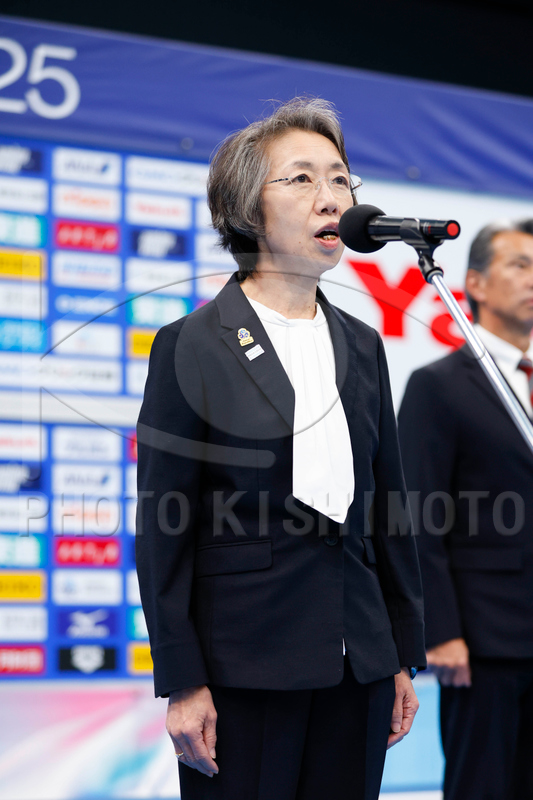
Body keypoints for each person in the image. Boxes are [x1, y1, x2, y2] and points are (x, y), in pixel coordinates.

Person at [136, 97, 426, 800]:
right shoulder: (192, 343)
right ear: (247, 207)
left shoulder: (362, 343)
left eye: (340, 178)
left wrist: (398, 652)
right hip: (243, 665)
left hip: (358, 662)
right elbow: (165, 525)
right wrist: (182, 680)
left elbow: (387, 506)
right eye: (301, 179)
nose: (331, 197)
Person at [398, 220, 533, 800]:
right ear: (474, 283)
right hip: (485, 641)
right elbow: (416, 518)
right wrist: (441, 631)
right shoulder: (439, 386)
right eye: (520, 265)